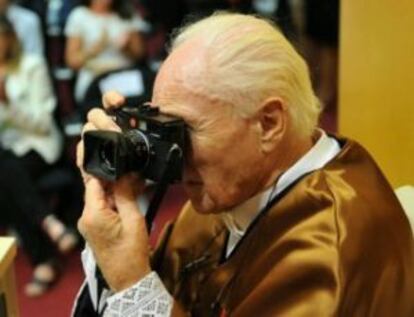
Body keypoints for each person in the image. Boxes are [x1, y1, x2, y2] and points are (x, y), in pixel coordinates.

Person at [73, 13, 414, 316]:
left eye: (184, 130)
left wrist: (132, 283)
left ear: (269, 124)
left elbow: (137, 286)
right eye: (163, 126)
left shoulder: (332, 251)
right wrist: (116, 205)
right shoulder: (231, 191)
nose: (174, 151)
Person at [0, 15, 77, 296]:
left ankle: (44, 259)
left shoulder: (31, 67)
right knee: (5, 172)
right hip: (8, 152)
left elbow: (43, 123)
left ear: (9, 39)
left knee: (5, 173)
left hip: (40, 144)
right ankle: (50, 224)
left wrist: (8, 103)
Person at [64, 0, 146, 104]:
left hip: (123, 76)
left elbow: (140, 54)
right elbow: (72, 61)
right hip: (94, 76)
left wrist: (126, 48)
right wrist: (94, 50)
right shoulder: (79, 15)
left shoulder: (127, 13)